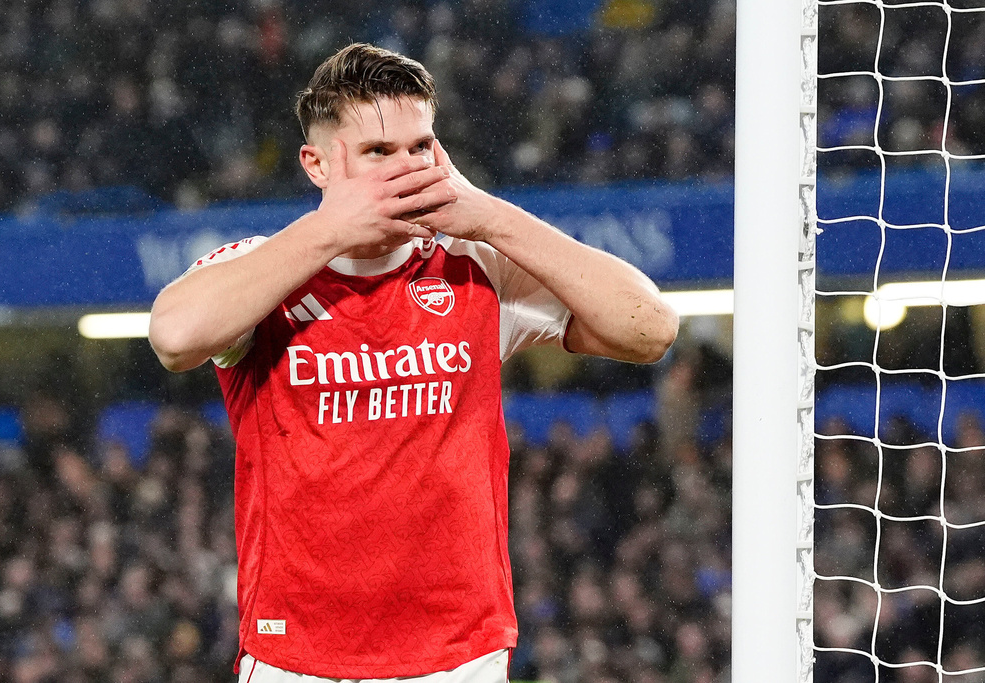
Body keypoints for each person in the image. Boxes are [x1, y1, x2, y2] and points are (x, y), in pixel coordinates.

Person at [148, 43, 678, 683]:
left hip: (458, 656)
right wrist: (332, 230)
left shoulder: (474, 267)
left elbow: (649, 328)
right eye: (377, 153)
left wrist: (489, 215)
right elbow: (174, 337)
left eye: (420, 147)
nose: (408, 169)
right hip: (301, 657)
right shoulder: (263, 271)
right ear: (316, 165)